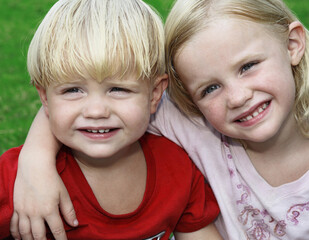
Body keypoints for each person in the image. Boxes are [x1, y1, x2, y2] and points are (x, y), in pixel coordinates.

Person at [10, 0, 309, 239]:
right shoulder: (191, 124)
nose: (237, 98)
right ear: (179, 96)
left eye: (248, 66)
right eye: (209, 88)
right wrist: (36, 160)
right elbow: (89, 105)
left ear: (293, 44)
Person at [0, 0, 224, 239]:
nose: (96, 111)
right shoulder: (19, 179)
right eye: (73, 90)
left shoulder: (177, 170)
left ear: (155, 93)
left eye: (118, 89)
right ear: (45, 97)